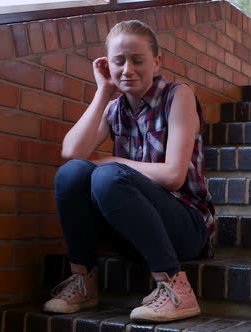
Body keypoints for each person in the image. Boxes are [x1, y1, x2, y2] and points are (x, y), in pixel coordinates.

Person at [42, 19, 215, 323]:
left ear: (157, 62)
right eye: (118, 61)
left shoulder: (178, 96)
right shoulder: (115, 109)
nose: (127, 70)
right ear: (107, 64)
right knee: (72, 174)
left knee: (108, 176)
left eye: (138, 60)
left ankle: (176, 287)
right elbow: (71, 152)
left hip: (187, 225)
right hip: (134, 224)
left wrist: (114, 162)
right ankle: (84, 280)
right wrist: (103, 92)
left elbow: (174, 176)